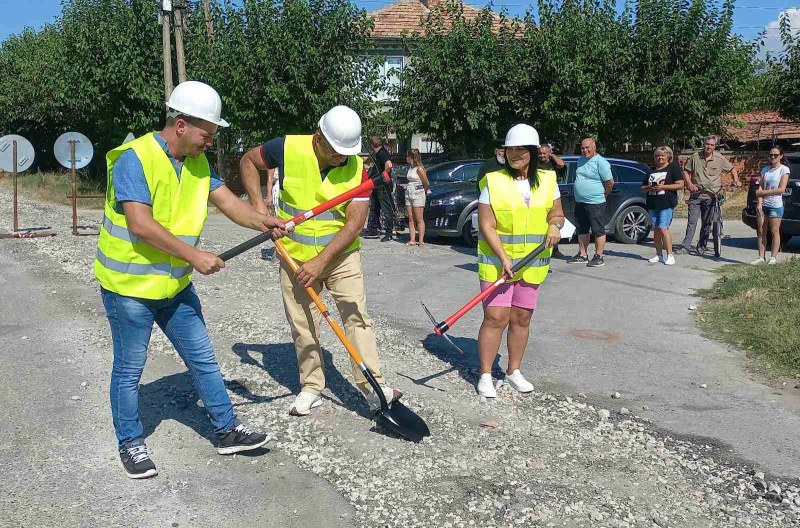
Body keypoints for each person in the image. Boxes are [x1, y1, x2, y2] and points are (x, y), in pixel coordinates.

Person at [94, 81, 285, 479]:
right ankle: (130, 442)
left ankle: (226, 430)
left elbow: (229, 203)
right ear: (180, 125)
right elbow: (141, 225)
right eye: (206, 134)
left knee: (202, 359)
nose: (209, 143)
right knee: (130, 370)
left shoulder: (197, 164)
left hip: (175, 286)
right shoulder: (136, 159)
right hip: (129, 290)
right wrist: (195, 256)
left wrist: (264, 219)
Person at [239, 105, 401, 416]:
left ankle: (373, 387)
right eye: (337, 150)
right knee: (303, 324)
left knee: (356, 317)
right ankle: (312, 385)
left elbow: (354, 223)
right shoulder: (286, 147)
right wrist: (259, 208)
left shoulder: (357, 169)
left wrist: (322, 262)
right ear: (319, 137)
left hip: (340, 257)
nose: (343, 157)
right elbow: (248, 160)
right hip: (295, 258)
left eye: (347, 151)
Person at [475, 124, 565, 398]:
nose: (514, 154)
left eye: (520, 150)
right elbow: (486, 225)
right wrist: (504, 257)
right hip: (497, 263)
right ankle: (486, 374)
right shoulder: (493, 181)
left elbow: (557, 214)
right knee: (495, 317)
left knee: (522, 318)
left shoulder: (548, 180)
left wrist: (555, 226)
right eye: (510, 149)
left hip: (533, 263)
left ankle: (513, 370)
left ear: (533, 152)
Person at [675, 136, 741, 255]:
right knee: (692, 221)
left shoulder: (719, 158)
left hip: (711, 194)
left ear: (715, 146)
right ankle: (685, 246)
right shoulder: (695, 157)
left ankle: (702, 246)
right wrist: (689, 184)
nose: (708, 146)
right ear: (703, 144)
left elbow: (732, 169)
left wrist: (736, 180)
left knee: (707, 222)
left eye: (711, 145)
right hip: (696, 194)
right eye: (707, 144)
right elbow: (686, 171)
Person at [567, 138, 614, 267]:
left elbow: (610, 182)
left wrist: (604, 194)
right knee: (582, 228)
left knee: (598, 229)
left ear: (594, 147)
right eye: (582, 148)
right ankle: (583, 254)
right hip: (580, 201)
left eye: (587, 148)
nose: (585, 150)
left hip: (596, 202)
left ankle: (599, 256)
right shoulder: (580, 160)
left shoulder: (601, 162)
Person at [641, 146, 684, 265]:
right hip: (652, 203)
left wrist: (663, 187)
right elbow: (642, 187)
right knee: (656, 230)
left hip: (666, 203)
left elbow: (680, 184)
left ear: (668, 157)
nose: (660, 157)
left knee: (663, 228)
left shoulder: (673, 168)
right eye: (658, 155)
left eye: (662, 155)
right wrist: (649, 187)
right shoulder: (651, 171)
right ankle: (658, 254)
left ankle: (670, 255)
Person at [751, 146, 790, 265]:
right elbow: (761, 186)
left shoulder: (784, 170)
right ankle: (761, 257)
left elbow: (781, 189)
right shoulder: (765, 170)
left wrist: (763, 193)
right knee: (761, 231)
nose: (772, 157)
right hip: (764, 205)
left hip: (775, 205)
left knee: (774, 231)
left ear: (781, 156)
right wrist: (759, 202)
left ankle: (773, 258)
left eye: (775, 155)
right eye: (771, 155)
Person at [538, 144, 566, 258]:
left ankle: (555, 249)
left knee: (554, 222)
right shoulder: (535, 163)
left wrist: (552, 155)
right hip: (538, 196)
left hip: (552, 196)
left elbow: (561, 164)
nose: (542, 155)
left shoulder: (553, 163)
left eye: (544, 153)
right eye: (540, 153)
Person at [365, 136, 395, 241]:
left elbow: (389, 165)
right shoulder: (379, 153)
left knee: (386, 209)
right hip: (378, 185)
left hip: (383, 186)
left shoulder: (382, 153)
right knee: (375, 207)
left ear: (371, 145)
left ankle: (389, 233)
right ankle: (373, 229)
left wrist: (384, 176)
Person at [404, 148, 431, 246]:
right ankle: (412, 239)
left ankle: (421, 240)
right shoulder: (411, 168)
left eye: (407, 156)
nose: (406, 158)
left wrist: (425, 190)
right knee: (411, 217)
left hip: (418, 192)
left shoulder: (419, 168)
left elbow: (426, 183)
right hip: (409, 192)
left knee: (419, 217)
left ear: (411, 157)